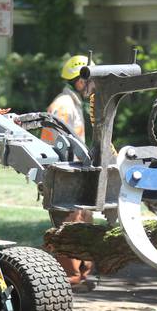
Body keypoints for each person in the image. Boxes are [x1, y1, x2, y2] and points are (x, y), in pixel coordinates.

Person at [42, 55, 95, 293]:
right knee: (67, 227)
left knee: (82, 222)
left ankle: (81, 275)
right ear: (80, 81)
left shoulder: (73, 103)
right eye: (92, 80)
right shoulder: (64, 105)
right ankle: (68, 277)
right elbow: (54, 145)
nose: (95, 85)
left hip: (77, 175)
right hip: (66, 177)